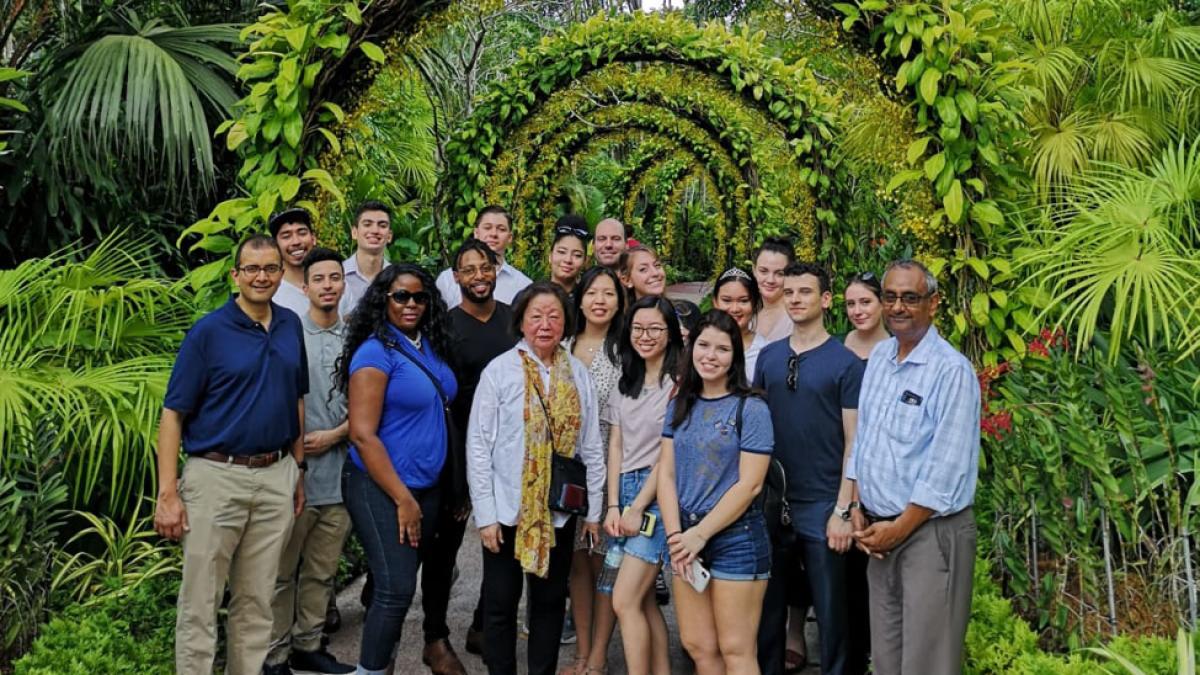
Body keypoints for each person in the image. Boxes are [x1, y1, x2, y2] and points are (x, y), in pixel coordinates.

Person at [154, 234, 307, 675]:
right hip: (215, 477)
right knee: (200, 601)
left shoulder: (289, 325)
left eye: (270, 268)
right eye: (252, 269)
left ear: (282, 273)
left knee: (257, 601)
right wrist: (168, 493)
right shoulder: (208, 332)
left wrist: (297, 468)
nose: (262, 276)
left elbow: (297, 400)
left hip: (276, 473)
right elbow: (172, 415)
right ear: (235, 275)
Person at [847, 259, 980, 675]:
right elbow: (863, 440)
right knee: (886, 660)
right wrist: (855, 508)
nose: (898, 307)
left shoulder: (951, 371)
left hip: (929, 534)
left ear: (933, 303)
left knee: (928, 663)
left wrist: (897, 529)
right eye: (891, 297)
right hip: (878, 532)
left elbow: (946, 469)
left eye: (910, 297)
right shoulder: (882, 356)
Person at [466, 282, 606, 675]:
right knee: (500, 606)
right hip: (508, 511)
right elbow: (479, 446)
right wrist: (486, 515)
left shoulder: (577, 374)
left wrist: (592, 511)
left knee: (547, 605)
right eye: (536, 316)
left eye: (554, 316)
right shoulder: (500, 371)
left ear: (566, 323)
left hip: (558, 512)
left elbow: (591, 446)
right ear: (522, 322)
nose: (545, 325)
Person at [337, 263, 458, 675]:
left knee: (403, 583)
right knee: (395, 587)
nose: (411, 304)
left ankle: (381, 665)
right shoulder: (375, 352)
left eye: (420, 297)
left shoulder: (426, 345)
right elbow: (363, 435)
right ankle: (369, 670)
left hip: (427, 485)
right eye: (401, 296)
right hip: (381, 486)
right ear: (382, 299)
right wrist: (404, 499)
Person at [754, 263, 867, 675]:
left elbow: (855, 441)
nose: (796, 299)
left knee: (834, 615)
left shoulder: (846, 364)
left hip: (823, 504)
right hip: (773, 501)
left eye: (805, 291)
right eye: (789, 292)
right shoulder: (768, 358)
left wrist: (842, 510)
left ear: (824, 300)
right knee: (768, 614)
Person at [658, 309, 774, 675]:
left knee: (736, 649)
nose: (710, 355)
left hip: (735, 537)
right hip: (684, 536)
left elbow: (750, 484)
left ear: (734, 356)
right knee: (699, 646)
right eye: (703, 345)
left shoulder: (751, 407)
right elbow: (667, 474)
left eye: (722, 349)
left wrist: (700, 534)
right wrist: (678, 535)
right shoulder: (680, 402)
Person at [421, 238, 518, 673]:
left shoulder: (514, 321)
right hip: (457, 450)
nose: (479, 276)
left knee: (505, 544)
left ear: (497, 268)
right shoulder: (444, 327)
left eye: (486, 267)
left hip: (511, 454)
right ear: (455, 277)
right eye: (469, 269)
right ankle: (434, 636)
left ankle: (483, 623)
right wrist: (457, 476)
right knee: (447, 548)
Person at [265, 248, 355, 675]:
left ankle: (308, 643)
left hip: (340, 477)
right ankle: (275, 654)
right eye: (318, 279)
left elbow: (370, 404)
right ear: (305, 287)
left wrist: (336, 434)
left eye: (334, 278)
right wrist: (299, 444)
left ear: (343, 283)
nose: (327, 286)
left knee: (322, 570)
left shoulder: (356, 340)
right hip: (294, 476)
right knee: (281, 574)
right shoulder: (286, 335)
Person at [607, 296, 684, 675]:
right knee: (644, 602)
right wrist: (611, 506)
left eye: (655, 328)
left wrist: (637, 506)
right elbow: (616, 444)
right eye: (638, 328)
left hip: (653, 497)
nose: (645, 336)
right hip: (624, 491)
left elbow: (666, 458)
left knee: (623, 600)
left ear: (670, 334)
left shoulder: (679, 385)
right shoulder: (626, 380)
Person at [559, 265, 625, 675]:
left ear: (620, 302)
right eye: (593, 293)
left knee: (606, 566)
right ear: (579, 299)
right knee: (576, 566)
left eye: (609, 294)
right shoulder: (561, 343)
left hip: (609, 463)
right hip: (566, 470)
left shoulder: (626, 348)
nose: (600, 301)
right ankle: (582, 652)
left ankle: (599, 656)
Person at [436, 206, 533, 307]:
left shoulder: (523, 285)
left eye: (501, 229)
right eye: (487, 228)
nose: (493, 234)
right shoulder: (447, 279)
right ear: (476, 233)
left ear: (510, 238)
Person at [340, 201, 394, 316]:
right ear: (354, 232)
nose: (375, 230)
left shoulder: (397, 278)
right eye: (367, 224)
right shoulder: (338, 275)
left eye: (382, 225)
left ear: (389, 236)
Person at [712, 267, 768, 375]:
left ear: (755, 303)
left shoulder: (765, 351)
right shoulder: (701, 344)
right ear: (715, 302)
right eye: (727, 300)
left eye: (743, 301)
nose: (735, 309)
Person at [270, 207, 318, 317]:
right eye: (286, 236)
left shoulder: (334, 283)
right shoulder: (270, 293)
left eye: (302, 233)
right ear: (275, 245)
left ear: (313, 238)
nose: (296, 242)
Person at [752, 237, 796, 343]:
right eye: (763, 271)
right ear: (754, 271)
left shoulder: (797, 317)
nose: (770, 280)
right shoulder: (749, 319)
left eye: (779, 273)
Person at [841, 272, 888, 360]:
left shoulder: (900, 349)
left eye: (865, 302)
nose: (857, 311)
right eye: (851, 304)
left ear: (882, 303)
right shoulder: (836, 346)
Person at [549, 215, 589, 295]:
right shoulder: (533, 296)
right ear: (550, 256)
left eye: (577, 255)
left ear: (585, 261)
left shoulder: (587, 301)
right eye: (561, 252)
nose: (568, 260)